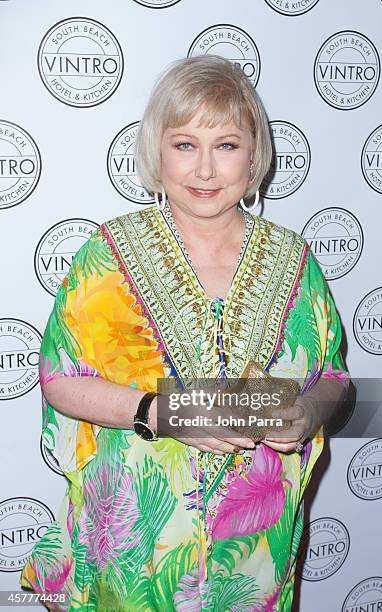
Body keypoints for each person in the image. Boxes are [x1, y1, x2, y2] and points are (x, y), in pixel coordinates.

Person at [20, 55, 349, 611]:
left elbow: (335, 377)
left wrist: (310, 411)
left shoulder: (296, 262)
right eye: (184, 144)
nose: (204, 170)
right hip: (134, 552)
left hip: (253, 557)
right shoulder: (108, 255)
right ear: (158, 152)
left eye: (225, 145)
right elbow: (58, 381)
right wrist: (161, 412)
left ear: (254, 155)